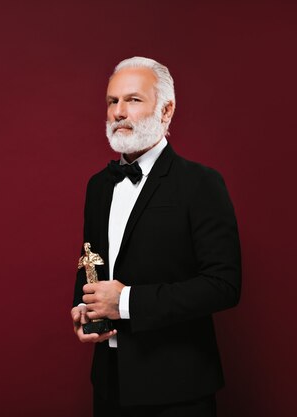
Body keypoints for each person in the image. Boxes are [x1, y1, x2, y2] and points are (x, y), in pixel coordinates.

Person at [71, 56, 241, 417]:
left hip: (177, 389)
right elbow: (92, 261)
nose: (119, 112)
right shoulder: (98, 186)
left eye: (133, 100)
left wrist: (127, 302)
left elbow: (224, 285)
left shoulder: (201, 184)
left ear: (166, 111)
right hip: (108, 383)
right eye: (112, 101)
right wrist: (83, 307)